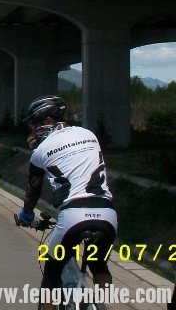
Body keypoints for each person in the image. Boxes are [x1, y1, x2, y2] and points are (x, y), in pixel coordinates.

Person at [14, 95, 117, 310]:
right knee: (99, 266)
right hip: (107, 214)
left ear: (50, 121)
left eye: (38, 124)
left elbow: (33, 189)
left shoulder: (39, 151)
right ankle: (103, 305)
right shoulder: (89, 134)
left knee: (51, 276)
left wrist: (26, 215)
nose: (35, 129)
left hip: (73, 216)